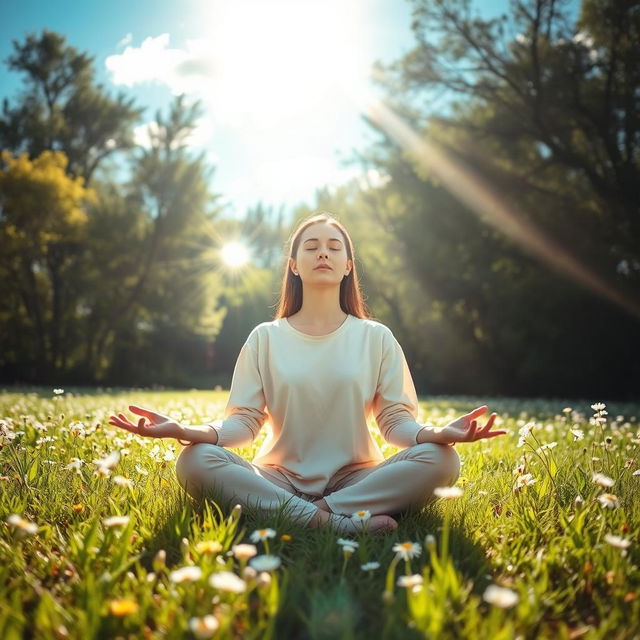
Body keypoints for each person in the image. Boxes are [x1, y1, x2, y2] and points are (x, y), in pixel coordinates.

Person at [109, 212, 506, 535]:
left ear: (348, 266)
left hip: (357, 478)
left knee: (443, 462)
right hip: (279, 477)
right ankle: (331, 523)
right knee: (193, 461)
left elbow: (394, 421)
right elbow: (245, 423)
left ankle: (308, 514)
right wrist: (188, 432)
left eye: (335, 247)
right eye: (311, 246)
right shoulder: (265, 337)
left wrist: (436, 435)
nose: (323, 253)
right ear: (294, 265)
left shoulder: (376, 337)